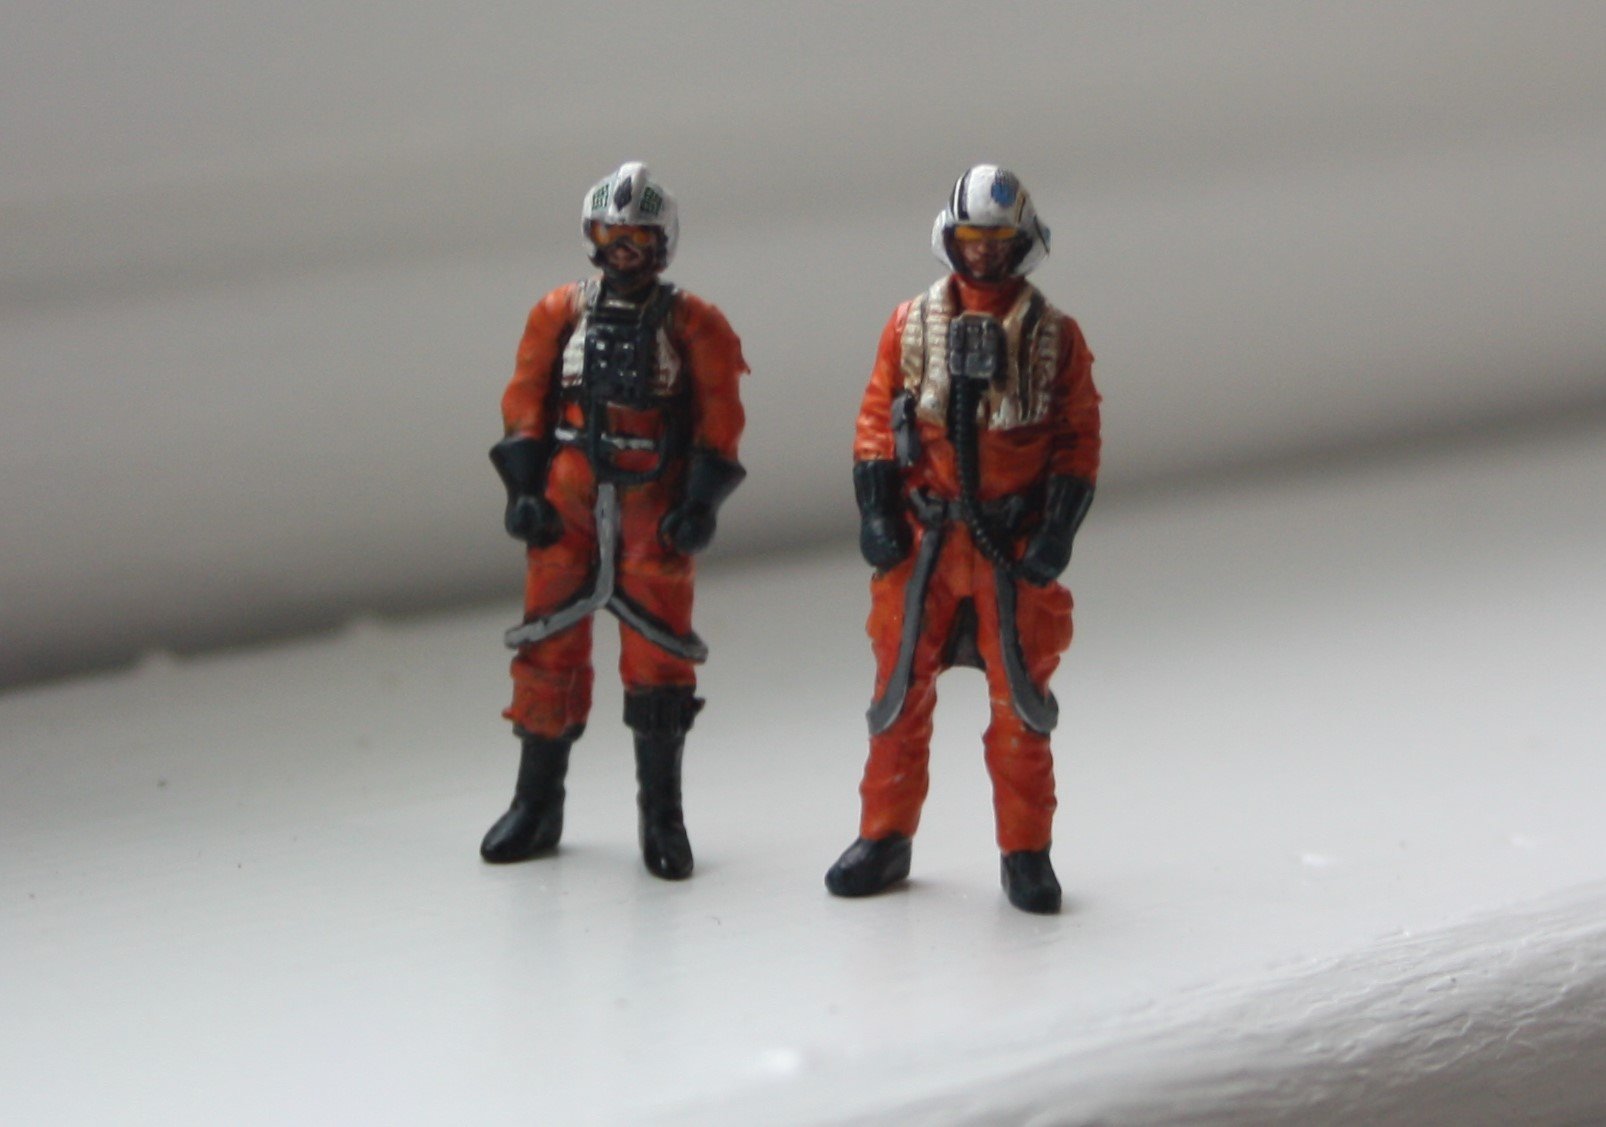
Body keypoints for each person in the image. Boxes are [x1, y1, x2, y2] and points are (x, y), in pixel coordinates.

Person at [827, 164, 1102, 913]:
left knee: (1022, 709)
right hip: (925, 544)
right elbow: (876, 421)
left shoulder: (1054, 336)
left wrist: (1057, 530)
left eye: (997, 238)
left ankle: (1026, 853)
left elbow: (1078, 440)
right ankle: (884, 836)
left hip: (1011, 549)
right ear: (951, 239)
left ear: (1022, 242)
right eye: (972, 236)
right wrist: (878, 512)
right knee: (896, 696)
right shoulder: (910, 324)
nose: (983, 251)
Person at [482, 162, 747, 880]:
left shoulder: (695, 323)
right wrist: (522, 489)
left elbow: (719, 415)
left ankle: (662, 818)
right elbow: (525, 400)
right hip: (567, 496)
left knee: (660, 656)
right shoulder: (559, 312)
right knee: (547, 645)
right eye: (611, 236)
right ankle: (536, 804)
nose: (624, 250)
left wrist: (699, 502)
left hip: (654, 501)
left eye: (638, 238)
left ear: (664, 242)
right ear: (591, 237)